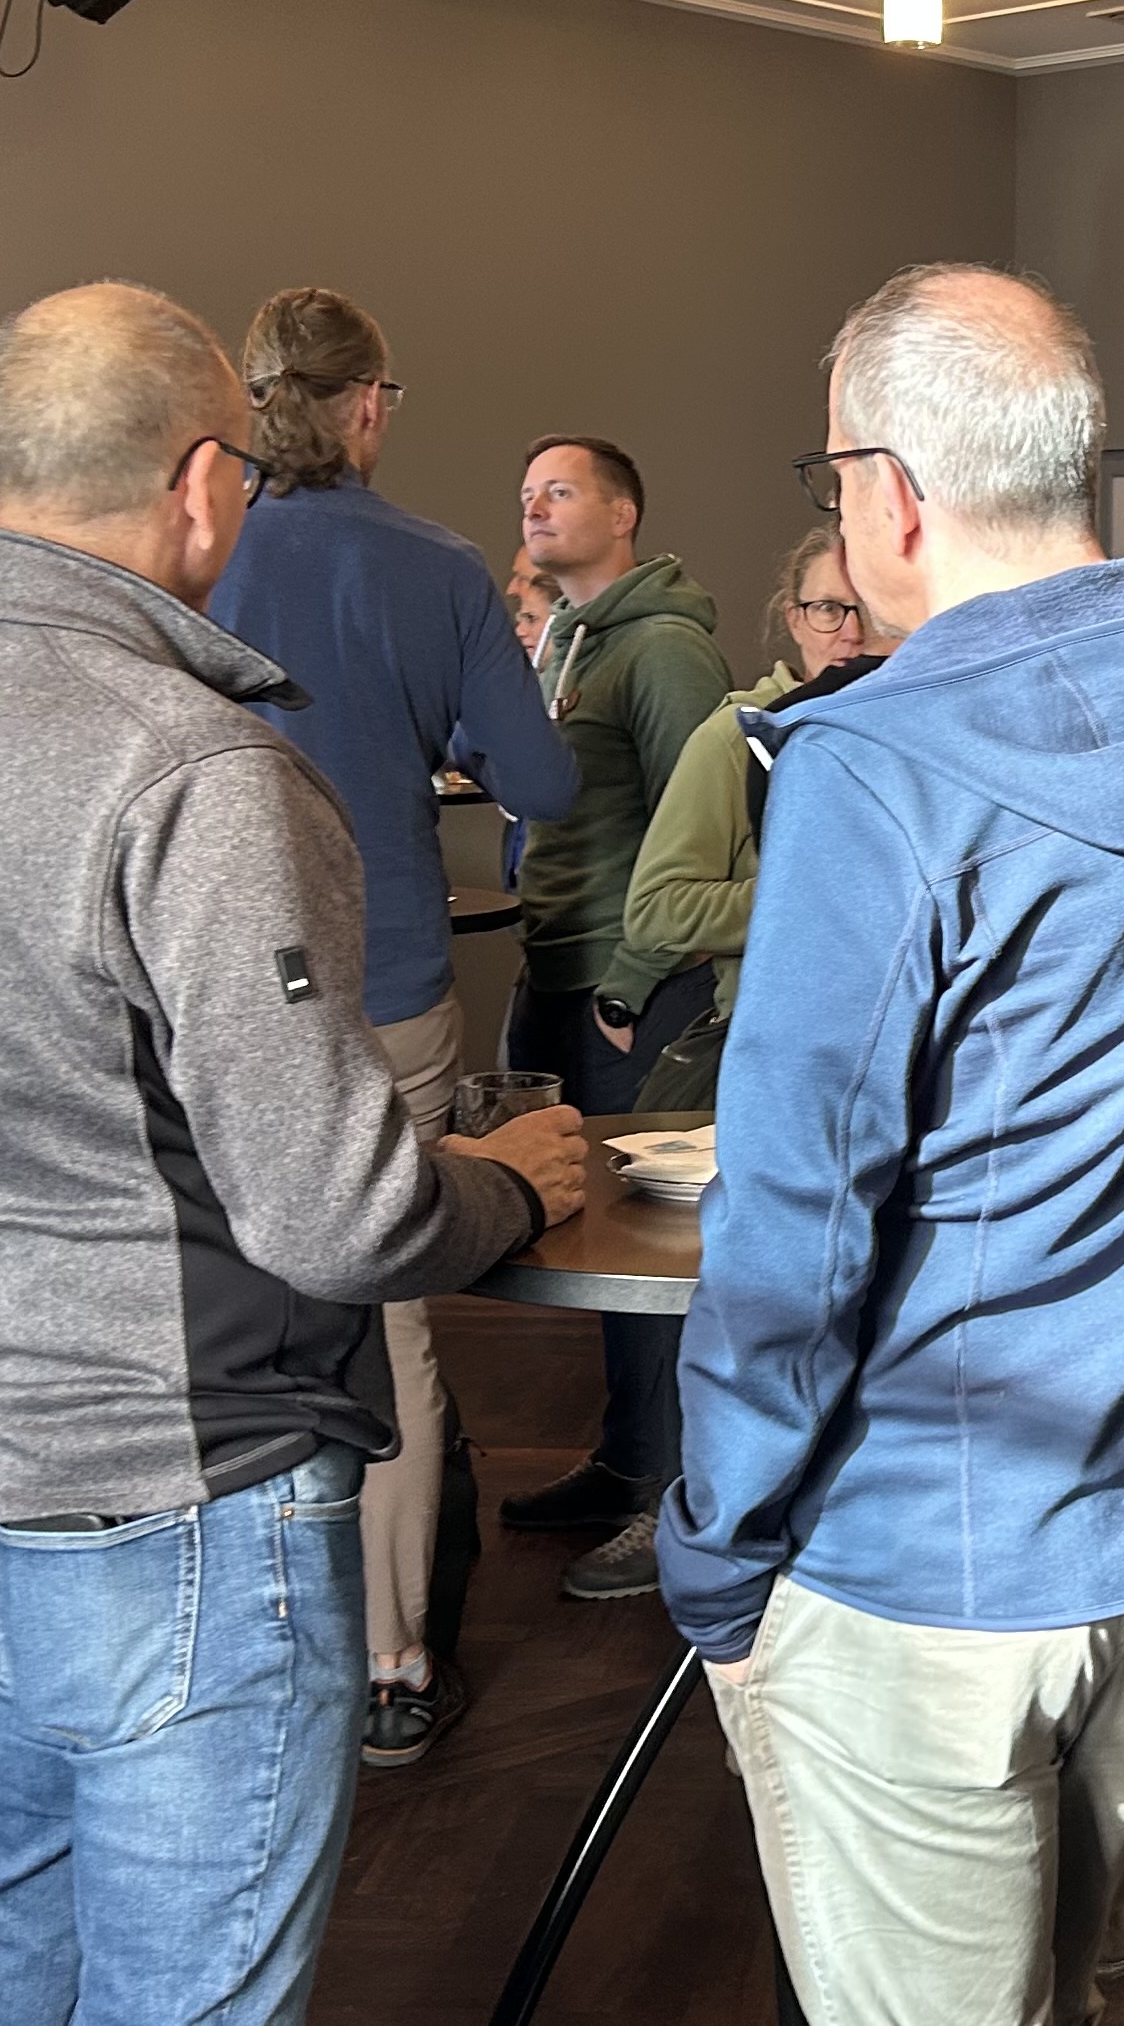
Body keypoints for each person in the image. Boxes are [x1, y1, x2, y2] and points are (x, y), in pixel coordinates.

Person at [0, 280, 590, 2023]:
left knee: (2, 1954)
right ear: (205, 483)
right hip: (193, 1501)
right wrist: (510, 1184)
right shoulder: (197, 767)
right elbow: (336, 1213)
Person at [662, 261, 1124, 2022]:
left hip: (920, 1560)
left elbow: (800, 1216)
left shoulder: (870, 760)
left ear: (891, 492)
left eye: (832, 474)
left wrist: (715, 1541)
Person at [206, 287, 577, 1767]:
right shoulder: (435, 566)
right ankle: (396, 1658)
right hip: (391, 978)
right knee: (388, 1308)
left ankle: (243, 1639)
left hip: (216, 982)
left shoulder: (196, 549)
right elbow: (540, 785)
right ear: (370, 407)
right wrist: (444, 723)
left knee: (235, 1295)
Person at [576, 524, 895, 1605]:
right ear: (790, 619)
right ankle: (684, 1514)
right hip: (754, 1053)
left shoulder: (921, 732)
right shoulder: (736, 737)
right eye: (825, 609)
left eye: (868, 609)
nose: (849, 632)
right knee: (721, 1309)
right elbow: (661, 909)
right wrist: (817, 893)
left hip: (891, 1066)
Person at [497, 432, 731, 1544]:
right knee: (596, 1242)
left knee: (650, 1254)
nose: (535, 508)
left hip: (628, 988)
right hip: (562, 969)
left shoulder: (666, 648)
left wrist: (632, 984)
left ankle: (672, 1502)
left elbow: (704, 833)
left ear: (623, 513)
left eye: (560, 491)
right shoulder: (569, 642)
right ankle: (630, 1462)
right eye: (527, 494)